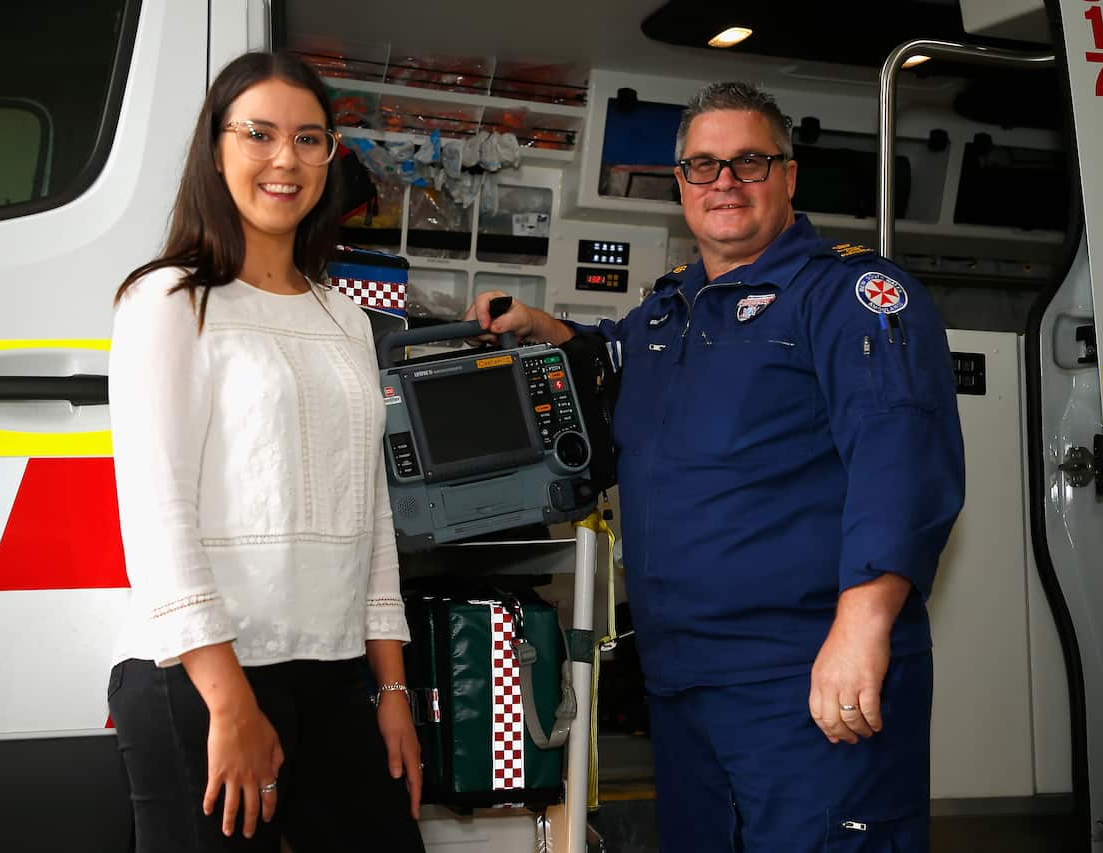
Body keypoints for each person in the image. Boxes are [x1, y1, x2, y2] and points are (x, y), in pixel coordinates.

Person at [466, 82, 964, 851]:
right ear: (681, 184)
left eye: (748, 162)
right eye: (703, 165)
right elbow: (610, 363)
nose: (724, 181)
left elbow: (900, 463)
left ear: (788, 175)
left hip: (805, 675)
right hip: (683, 683)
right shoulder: (669, 312)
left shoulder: (850, 297)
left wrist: (861, 630)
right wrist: (538, 326)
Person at [106, 51, 425, 852]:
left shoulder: (346, 320)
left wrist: (391, 689)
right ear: (216, 150)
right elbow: (157, 512)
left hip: (333, 672)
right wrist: (229, 703)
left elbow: (371, 515)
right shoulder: (169, 299)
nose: (286, 159)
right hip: (202, 677)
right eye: (260, 134)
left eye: (309, 139)